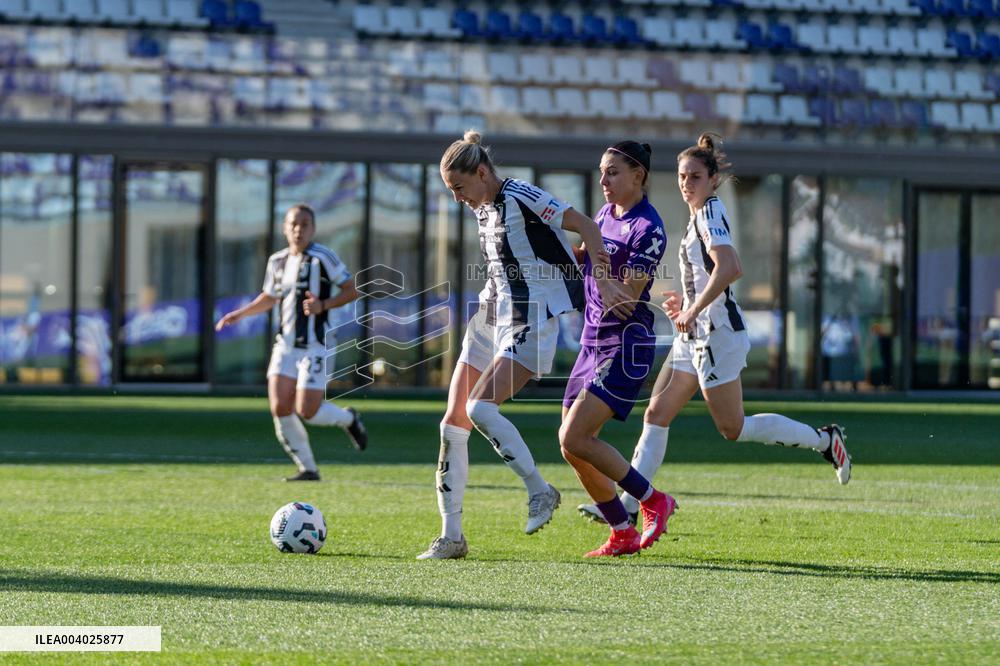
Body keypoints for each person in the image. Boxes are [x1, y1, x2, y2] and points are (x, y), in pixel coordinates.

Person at [578, 133, 851, 526]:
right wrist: (683, 306)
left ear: (713, 180)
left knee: (732, 428)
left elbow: (730, 267)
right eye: (681, 176)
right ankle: (632, 504)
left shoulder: (708, 213)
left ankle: (826, 440)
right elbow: (709, 273)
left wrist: (694, 308)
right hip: (696, 333)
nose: (685, 183)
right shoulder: (697, 216)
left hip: (718, 333)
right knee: (656, 412)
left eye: (694, 177)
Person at [417, 130, 629, 560]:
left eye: (458, 187)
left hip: (530, 318)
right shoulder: (482, 207)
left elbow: (585, 226)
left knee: (480, 409)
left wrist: (602, 277)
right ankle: (452, 537)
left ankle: (539, 490)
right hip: (490, 317)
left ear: (481, 172)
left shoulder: (521, 194)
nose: (457, 198)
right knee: (452, 425)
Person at [560, 140, 677, 557]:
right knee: (570, 444)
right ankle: (621, 532)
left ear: (638, 176)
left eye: (612, 172)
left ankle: (653, 500)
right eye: (602, 171)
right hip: (590, 342)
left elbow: (626, 300)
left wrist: (598, 255)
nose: (603, 180)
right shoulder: (604, 215)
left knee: (577, 435)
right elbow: (588, 266)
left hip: (625, 344)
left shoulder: (649, 229)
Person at [215, 204, 368, 481]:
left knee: (307, 411)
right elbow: (270, 296)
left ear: (313, 228)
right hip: (285, 345)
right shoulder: (277, 261)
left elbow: (351, 290)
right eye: (294, 224)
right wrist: (240, 314)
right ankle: (308, 468)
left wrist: (324, 305)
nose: (299, 229)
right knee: (280, 407)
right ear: (285, 228)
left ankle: (348, 418)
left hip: (316, 344)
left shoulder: (324, 257)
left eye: (305, 224)